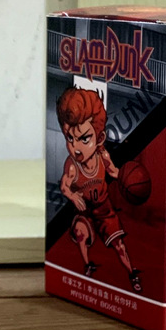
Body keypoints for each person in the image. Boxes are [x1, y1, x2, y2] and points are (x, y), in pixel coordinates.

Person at [56, 86, 141, 292]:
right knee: (80, 232)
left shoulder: (103, 156)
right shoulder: (72, 166)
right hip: (85, 211)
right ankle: (87, 265)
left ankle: (132, 274)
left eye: (84, 139)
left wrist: (129, 179)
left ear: (99, 139)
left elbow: (114, 172)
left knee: (119, 245)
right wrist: (72, 195)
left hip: (104, 210)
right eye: (70, 139)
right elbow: (64, 186)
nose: (76, 147)